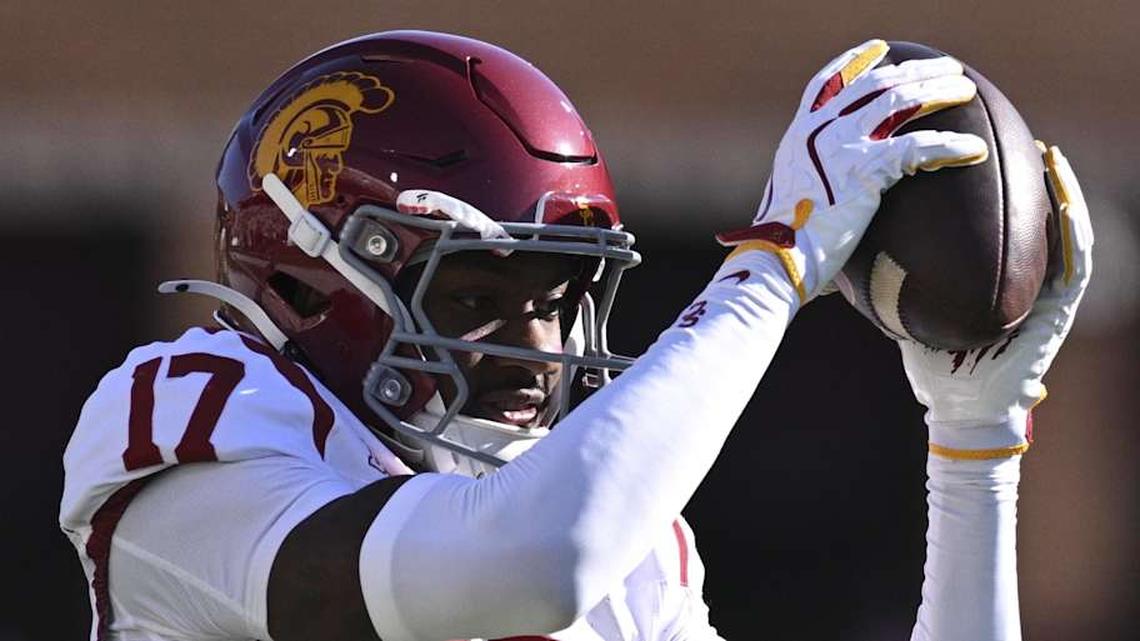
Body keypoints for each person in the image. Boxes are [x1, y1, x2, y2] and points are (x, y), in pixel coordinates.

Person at [59, 31, 1092, 641]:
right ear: (302, 275)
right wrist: (772, 262)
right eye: (471, 295)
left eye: (558, 292)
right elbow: (534, 556)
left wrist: (975, 444)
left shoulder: (625, 540)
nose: (536, 341)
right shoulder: (200, 418)